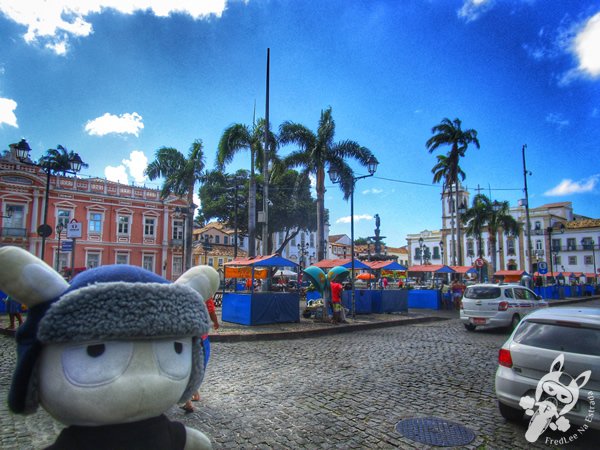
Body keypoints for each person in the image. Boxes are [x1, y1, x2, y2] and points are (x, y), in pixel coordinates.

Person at [181, 296, 220, 414]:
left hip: (190, 336)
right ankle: (191, 397)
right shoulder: (206, 295)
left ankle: (192, 395)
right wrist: (216, 322)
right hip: (201, 338)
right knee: (198, 366)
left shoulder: (187, 292)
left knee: (190, 366)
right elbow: (211, 310)